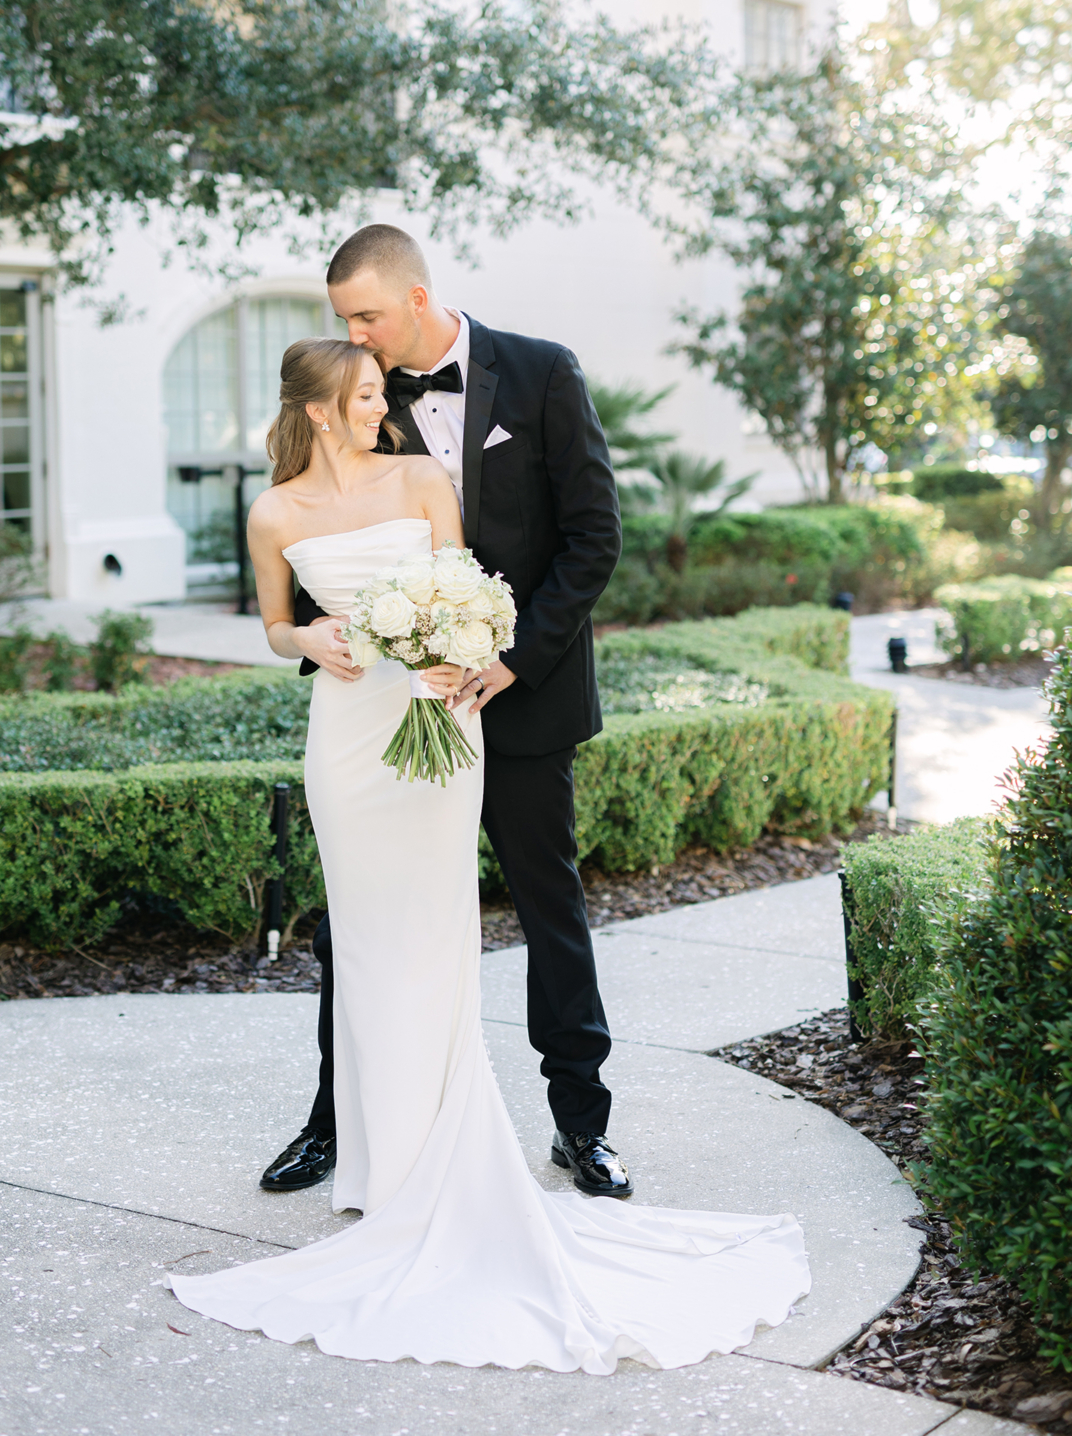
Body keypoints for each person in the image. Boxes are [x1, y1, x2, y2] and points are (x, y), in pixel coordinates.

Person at [167, 330, 809, 1370]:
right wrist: (306, 641)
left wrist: (460, 648)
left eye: (385, 386)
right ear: (319, 409)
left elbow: (468, 587)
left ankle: (484, 1149)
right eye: (367, 393)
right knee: (364, 943)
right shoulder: (273, 510)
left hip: (440, 718)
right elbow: (277, 626)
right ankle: (369, 1162)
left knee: (441, 934)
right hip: (346, 740)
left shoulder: (423, 476)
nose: (387, 403)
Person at [263, 222, 628, 1201]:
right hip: (385, 711)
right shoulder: (357, 396)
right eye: (343, 320)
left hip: (523, 696)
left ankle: (582, 1126)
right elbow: (322, 544)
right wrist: (314, 634)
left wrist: (511, 657)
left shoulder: (543, 374)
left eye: (367, 316)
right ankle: (339, 1126)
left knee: (550, 908)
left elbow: (593, 540)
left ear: (415, 300)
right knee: (360, 923)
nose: (357, 336)